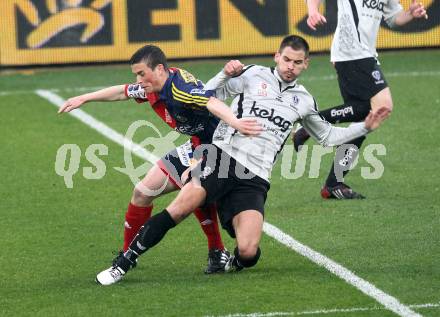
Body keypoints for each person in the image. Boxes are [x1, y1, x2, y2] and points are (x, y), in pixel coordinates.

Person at [95, 35, 391, 285]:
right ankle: (124, 262)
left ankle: (228, 260)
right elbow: (206, 93)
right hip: (222, 157)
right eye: (286, 59)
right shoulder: (251, 75)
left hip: (255, 178)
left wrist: (366, 126)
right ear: (277, 56)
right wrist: (226, 73)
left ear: (306, 64)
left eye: (297, 62)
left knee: (249, 251)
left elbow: (327, 137)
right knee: (181, 207)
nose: (290, 67)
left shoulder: (304, 100)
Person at [59, 45, 260, 274]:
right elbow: (122, 91)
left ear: (160, 69)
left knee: (193, 189)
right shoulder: (152, 87)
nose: (138, 79)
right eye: (136, 74)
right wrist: (85, 98)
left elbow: (211, 102)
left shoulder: (180, 89)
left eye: (141, 73)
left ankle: (217, 251)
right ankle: (128, 253)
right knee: (142, 192)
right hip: (196, 144)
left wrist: (236, 123)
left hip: (219, 148)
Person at [293, 0, 428, 199]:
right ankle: (310, 124)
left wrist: (410, 14)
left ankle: (333, 184)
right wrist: (312, 11)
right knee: (383, 106)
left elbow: (393, 18)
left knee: (365, 119)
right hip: (352, 52)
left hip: (364, 53)